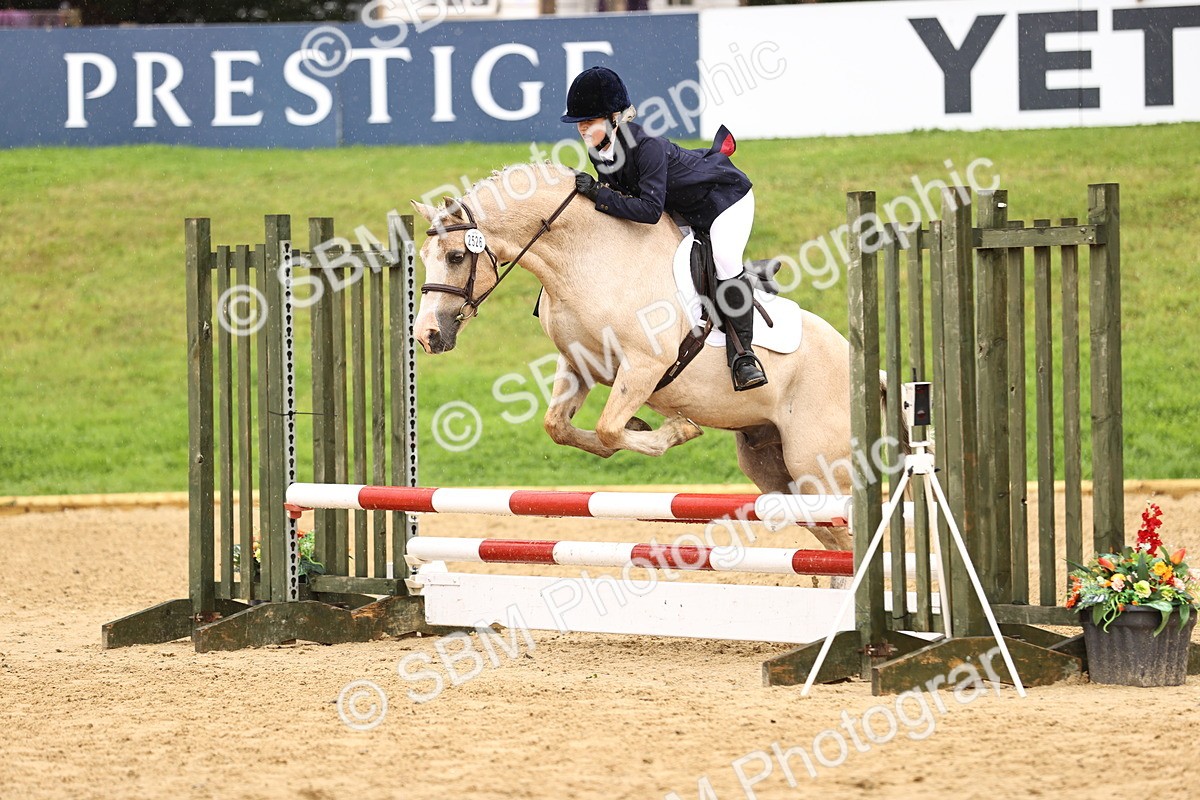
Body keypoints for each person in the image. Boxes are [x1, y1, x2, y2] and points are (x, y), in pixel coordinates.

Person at [561, 66, 767, 392]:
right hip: (685, 210)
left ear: (614, 118)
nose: (583, 129)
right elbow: (617, 206)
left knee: (726, 260)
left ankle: (743, 357)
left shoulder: (648, 148)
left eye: (590, 121)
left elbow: (649, 211)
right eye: (580, 123)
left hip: (725, 201)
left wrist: (598, 194)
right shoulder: (600, 152)